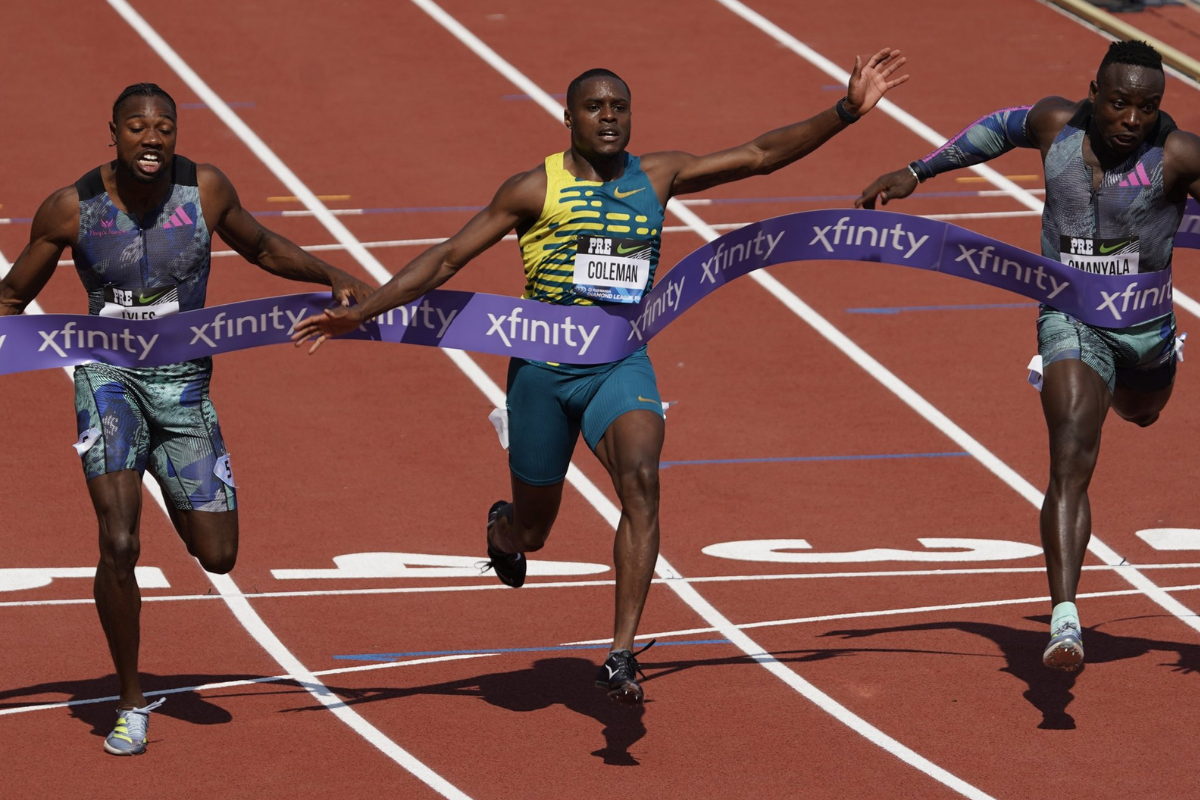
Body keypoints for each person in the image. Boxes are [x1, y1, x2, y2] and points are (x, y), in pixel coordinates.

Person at [293, 50, 908, 703]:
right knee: (533, 530)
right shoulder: (533, 188)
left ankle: (620, 655)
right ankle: (503, 529)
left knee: (642, 480)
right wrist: (363, 312)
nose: (609, 116)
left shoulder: (659, 175)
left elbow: (757, 154)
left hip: (618, 361)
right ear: (568, 118)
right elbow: (447, 257)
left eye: (620, 106)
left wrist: (846, 112)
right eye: (595, 106)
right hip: (541, 369)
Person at [0, 83, 372, 754]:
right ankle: (131, 700)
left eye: (164, 128)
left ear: (176, 133)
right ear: (112, 132)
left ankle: (171, 475)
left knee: (219, 555)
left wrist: (331, 272)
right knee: (119, 543)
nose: (152, 138)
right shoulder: (71, 208)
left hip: (184, 388)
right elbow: (11, 296)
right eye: (138, 128)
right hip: (106, 382)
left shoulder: (205, 191)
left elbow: (259, 247)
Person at [856, 40, 1198, 672]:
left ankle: (1140, 387)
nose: (1131, 120)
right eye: (1119, 103)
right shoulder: (1055, 126)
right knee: (1071, 447)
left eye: (1147, 108)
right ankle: (1065, 620)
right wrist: (918, 170)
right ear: (1092, 93)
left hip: (1145, 331)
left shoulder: (1178, 155)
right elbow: (993, 132)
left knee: (1144, 413)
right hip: (1069, 315)